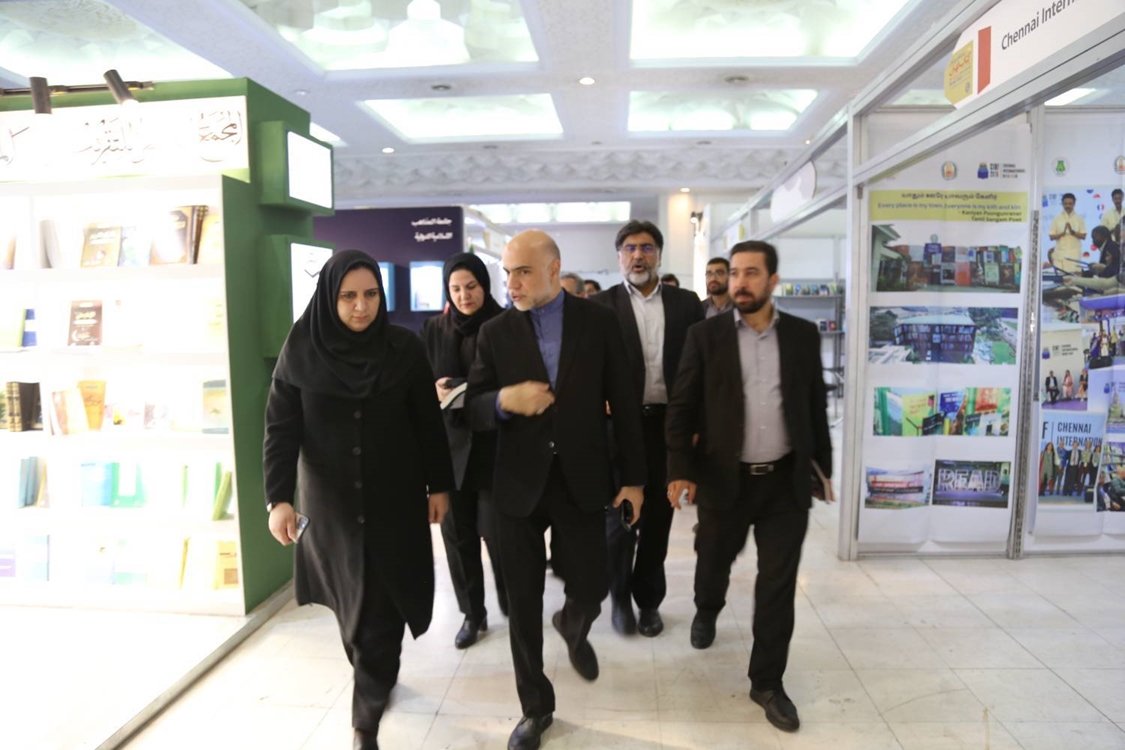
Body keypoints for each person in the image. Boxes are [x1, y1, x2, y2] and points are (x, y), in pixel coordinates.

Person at [263, 250, 454, 750]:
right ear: (330, 298)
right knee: (353, 607)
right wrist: (277, 499)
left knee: (381, 612)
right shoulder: (301, 348)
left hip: (395, 503)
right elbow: (281, 429)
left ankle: (364, 723)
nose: (360, 306)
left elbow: (428, 423)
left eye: (370, 294)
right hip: (331, 509)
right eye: (348, 296)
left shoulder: (404, 349)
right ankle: (376, 674)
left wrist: (439, 485)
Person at [464, 229, 646, 750]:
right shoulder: (496, 332)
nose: (511, 284)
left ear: (552, 269)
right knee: (522, 604)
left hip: (582, 478)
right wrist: (505, 401)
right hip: (516, 485)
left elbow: (625, 402)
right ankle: (535, 708)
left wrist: (634, 479)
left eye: (522, 272)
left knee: (592, 582)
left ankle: (573, 621)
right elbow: (473, 406)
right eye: (507, 273)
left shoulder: (599, 321)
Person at [665, 240, 832, 734]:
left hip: (783, 483)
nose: (739, 282)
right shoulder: (705, 335)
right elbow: (681, 407)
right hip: (724, 479)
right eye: (735, 273)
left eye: (751, 273)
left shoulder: (801, 335)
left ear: (773, 281)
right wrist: (680, 468)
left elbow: (814, 405)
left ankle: (767, 682)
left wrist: (820, 470)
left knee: (777, 585)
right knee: (713, 558)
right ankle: (707, 608)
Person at [591, 220, 704, 637]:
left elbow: (701, 367)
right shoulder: (600, 306)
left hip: (667, 428)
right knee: (620, 520)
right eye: (630, 248)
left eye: (647, 247)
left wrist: (696, 426)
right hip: (619, 428)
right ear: (619, 256)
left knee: (659, 520)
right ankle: (619, 599)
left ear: (658, 254)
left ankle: (649, 601)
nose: (638, 255)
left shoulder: (686, 303)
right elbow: (585, 366)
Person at [422, 252, 508, 650]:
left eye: (471, 286)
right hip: (450, 452)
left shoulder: (506, 325)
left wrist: (463, 388)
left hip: (494, 448)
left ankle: (511, 599)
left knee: (498, 535)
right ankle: (473, 614)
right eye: (455, 289)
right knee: (458, 539)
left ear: (484, 285)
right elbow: (419, 384)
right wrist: (433, 389)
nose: (464, 296)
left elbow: (514, 382)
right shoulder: (434, 329)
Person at [1048, 193, 1087, 275]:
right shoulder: (1057, 219)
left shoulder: (1079, 219)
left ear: (1074, 204)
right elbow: (1051, 237)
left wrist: (1072, 232)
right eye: (1065, 204)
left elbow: (1083, 236)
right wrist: (1062, 233)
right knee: (1059, 280)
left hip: (1074, 255)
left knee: (1075, 281)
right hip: (1060, 256)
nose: (1067, 206)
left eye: (1070, 204)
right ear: (1062, 204)